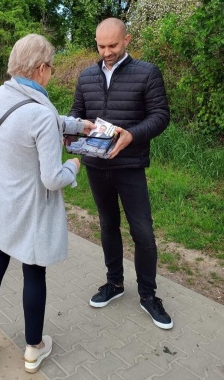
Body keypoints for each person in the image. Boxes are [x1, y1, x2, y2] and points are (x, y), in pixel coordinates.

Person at [0, 34, 96, 373]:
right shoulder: (38, 112)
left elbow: (40, 121)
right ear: (41, 69)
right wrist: (75, 164)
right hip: (30, 209)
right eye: (51, 67)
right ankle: (33, 348)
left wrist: (76, 124)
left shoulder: (2, 95)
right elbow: (52, 178)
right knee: (34, 272)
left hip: (0, 202)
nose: (51, 72)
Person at [69, 18, 173, 330]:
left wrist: (132, 135)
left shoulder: (147, 72)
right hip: (96, 166)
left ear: (126, 39)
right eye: (101, 46)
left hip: (130, 166)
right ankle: (114, 284)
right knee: (108, 226)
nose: (107, 52)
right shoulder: (87, 75)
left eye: (113, 45)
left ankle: (148, 295)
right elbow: (77, 112)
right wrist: (71, 130)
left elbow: (160, 116)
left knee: (142, 232)